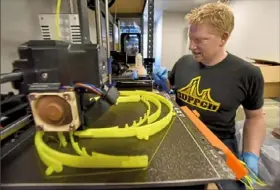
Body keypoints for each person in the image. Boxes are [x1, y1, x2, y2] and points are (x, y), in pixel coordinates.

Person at [153, 2, 266, 190]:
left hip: (220, 143)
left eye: (200, 40)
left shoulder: (248, 74)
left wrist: (251, 154)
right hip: (182, 138)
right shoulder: (183, 63)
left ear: (223, 38)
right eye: (190, 38)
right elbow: (171, 87)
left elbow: (255, 117)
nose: (191, 46)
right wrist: (161, 81)